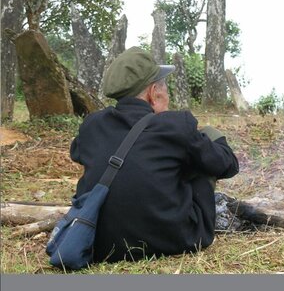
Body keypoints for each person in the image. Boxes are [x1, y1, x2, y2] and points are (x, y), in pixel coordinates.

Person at [70, 47, 239, 263]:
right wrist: (210, 138)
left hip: (103, 245)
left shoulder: (92, 124)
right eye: (164, 88)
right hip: (176, 240)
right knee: (201, 150)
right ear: (153, 93)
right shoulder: (177, 125)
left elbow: (77, 153)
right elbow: (227, 165)